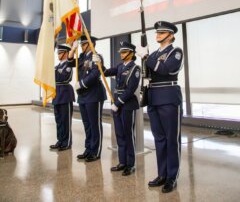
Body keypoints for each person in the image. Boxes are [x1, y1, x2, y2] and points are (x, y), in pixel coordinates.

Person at [137, 21, 183, 193]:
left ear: (170, 35)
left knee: (172, 139)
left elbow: (166, 70)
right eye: (157, 32)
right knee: (160, 140)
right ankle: (162, 174)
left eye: (162, 32)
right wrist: (145, 58)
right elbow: (148, 72)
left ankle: (172, 177)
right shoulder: (155, 53)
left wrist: (147, 58)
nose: (158, 34)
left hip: (169, 97)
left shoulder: (175, 52)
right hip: (154, 98)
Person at [102, 41, 140, 176]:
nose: (122, 54)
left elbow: (130, 89)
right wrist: (99, 63)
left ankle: (130, 164)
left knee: (128, 135)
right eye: (121, 52)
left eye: (124, 52)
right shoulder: (119, 66)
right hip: (116, 103)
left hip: (127, 104)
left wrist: (118, 104)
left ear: (131, 53)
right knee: (119, 135)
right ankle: (122, 162)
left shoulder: (135, 69)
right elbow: (105, 72)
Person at [68, 35, 107, 162]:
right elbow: (69, 63)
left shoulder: (97, 56)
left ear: (91, 44)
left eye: (84, 44)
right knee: (87, 124)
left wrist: (82, 83)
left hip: (94, 93)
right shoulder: (82, 57)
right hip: (83, 95)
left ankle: (96, 151)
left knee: (94, 124)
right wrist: (72, 50)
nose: (82, 46)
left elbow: (96, 73)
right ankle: (88, 149)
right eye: (81, 44)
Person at [50, 44, 75, 151]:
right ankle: (60, 140)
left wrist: (55, 73)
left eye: (60, 53)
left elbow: (65, 77)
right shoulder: (57, 67)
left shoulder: (68, 65)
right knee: (59, 120)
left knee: (65, 120)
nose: (58, 54)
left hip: (65, 94)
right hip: (57, 94)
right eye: (58, 52)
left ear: (65, 53)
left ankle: (67, 142)